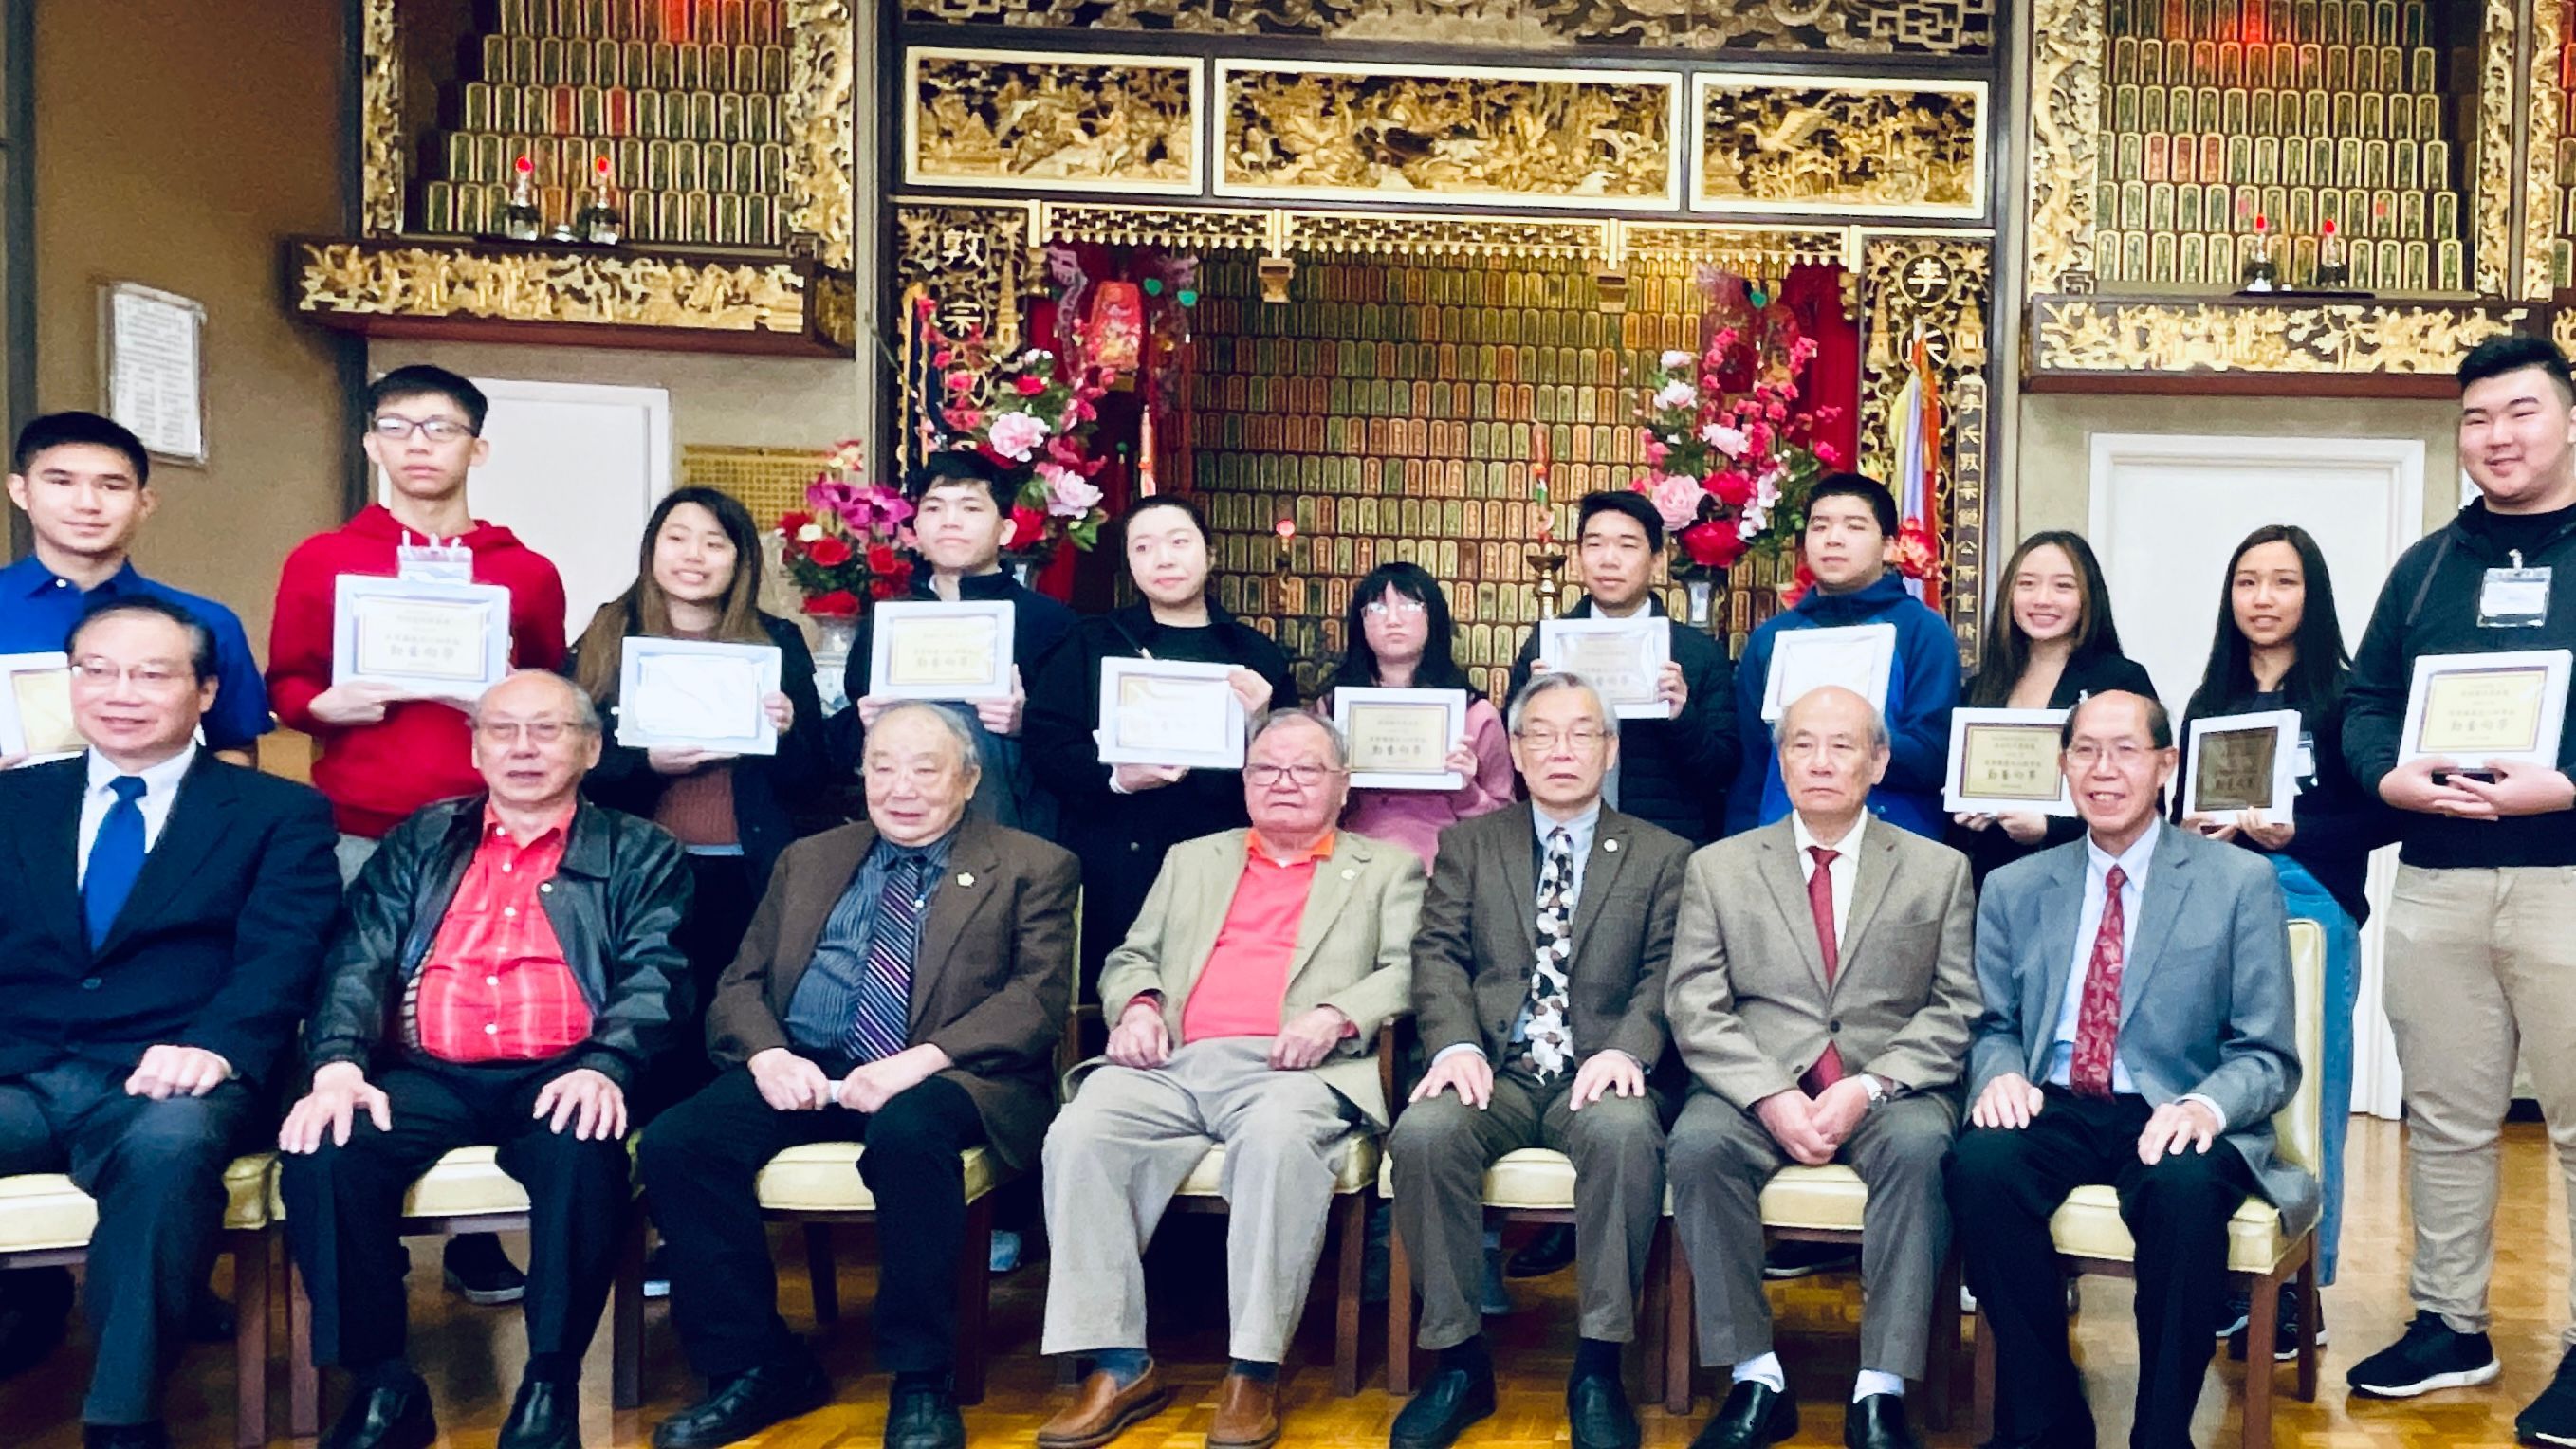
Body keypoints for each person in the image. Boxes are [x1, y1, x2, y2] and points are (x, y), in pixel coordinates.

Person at [640, 703, 1076, 1449]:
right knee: (681, 1142)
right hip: (807, 1062)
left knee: (909, 1136)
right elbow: (740, 984)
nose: (901, 787)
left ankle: (921, 1377)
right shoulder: (808, 860)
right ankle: (754, 1364)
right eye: (883, 767)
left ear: (969, 780)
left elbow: (1034, 1002)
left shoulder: (1033, 865)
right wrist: (768, 1055)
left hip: (952, 1071)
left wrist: (918, 1062)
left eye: (925, 769)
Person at [277, 670, 690, 1449]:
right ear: (476, 749)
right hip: (427, 1071)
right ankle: (383, 1384)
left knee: (581, 1150)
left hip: (566, 1069)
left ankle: (549, 1386)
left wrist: (608, 1062)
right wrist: (338, 1063)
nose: (522, 748)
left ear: (591, 749)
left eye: (547, 730)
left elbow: (657, 972)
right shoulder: (422, 838)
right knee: (326, 1148)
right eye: (502, 730)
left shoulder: (641, 850)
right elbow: (359, 956)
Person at [0, 597, 338, 1449]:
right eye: (99, 671)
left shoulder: (276, 812)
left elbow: (284, 954)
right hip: (20, 1068)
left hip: (174, 1074)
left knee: (169, 1149)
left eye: (152, 675)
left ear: (205, 690)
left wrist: (216, 1047)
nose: (122, 693)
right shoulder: (14, 801)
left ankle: (123, 1418)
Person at [1036, 711, 1420, 1449]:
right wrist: (1138, 1006)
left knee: (1277, 1141)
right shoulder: (1193, 858)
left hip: (1295, 1069)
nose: (1284, 782)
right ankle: (1117, 1363)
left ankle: (1252, 1368)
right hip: (1172, 1061)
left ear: (1343, 787)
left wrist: (1338, 1014)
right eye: (1266, 768)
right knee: (1081, 1131)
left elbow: (1410, 969)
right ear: (1243, 781)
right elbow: (1130, 956)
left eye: (1306, 769)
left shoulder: (1386, 868)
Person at [267, 365, 569, 1304]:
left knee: (477, 1019)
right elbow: (286, 683)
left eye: (440, 428)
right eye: (398, 426)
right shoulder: (324, 559)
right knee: (352, 1013)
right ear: (372, 443)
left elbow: (551, 689)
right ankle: (367, 1241)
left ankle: (476, 1237)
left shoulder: (524, 570)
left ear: (478, 446)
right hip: (360, 826)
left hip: (488, 835)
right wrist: (325, 704)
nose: (419, 445)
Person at [1943, 691, 2311, 1449]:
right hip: (2054, 1100)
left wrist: (2206, 1108)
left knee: (2183, 1191)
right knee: (1979, 1167)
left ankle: (2161, 1432)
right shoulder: (2015, 886)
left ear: (2165, 764)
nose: (2102, 770)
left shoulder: (2237, 882)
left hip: (2177, 1105)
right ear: (2063, 764)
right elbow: (1992, 1024)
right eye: (2085, 751)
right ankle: (2047, 1424)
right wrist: (1999, 1072)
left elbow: (2267, 1053)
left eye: (2125, 751)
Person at [2339, 334, 2576, 1440]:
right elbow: (2364, 701)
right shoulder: (2427, 567)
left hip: (2566, 876)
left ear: (2566, 420)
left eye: (2520, 412)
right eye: (2477, 418)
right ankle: (2449, 1323)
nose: (2497, 436)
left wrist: (2565, 783)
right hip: (2435, 879)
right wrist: (2387, 776)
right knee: (2443, 1118)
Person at [1664, 686, 1977, 1449]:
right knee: (1697, 1146)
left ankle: (1881, 1388)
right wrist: (1769, 1093)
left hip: (1888, 1085)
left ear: (1879, 761)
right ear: (1781, 760)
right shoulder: (1719, 868)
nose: (1821, 762)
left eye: (1843, 746)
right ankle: (1755, 1375)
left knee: (1921, 1149)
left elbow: (1956, 1007)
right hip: (1753, 1083)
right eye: (1802, 744)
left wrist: (1870, 1086)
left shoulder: (1939, 870)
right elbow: (1695, 1003)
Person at [1385, 672, 1691, 1449]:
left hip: (1601, 1068)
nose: (1562, 750)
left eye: (1582, 733)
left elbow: (1669, 970)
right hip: (1497, 1068)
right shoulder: (1470, 845)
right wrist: (1455, 1042)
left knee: (1625, 1135)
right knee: (1423, 1135)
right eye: (1542, 734)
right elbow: (1438, 955)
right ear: (1515, 752)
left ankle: (1598, 1366)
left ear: (1610, 750)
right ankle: (1459, 1361)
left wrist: (1628, 1047)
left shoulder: (1663, 855)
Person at [2177, 524, 2396, 1356]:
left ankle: (2302, 1289)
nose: (2262, 599)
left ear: (2313, 596)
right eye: (2247, 582)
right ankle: (2230, 1277)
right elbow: (2180, 815)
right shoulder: (2208, 701)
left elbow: (2383, 816)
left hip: (2310, 906)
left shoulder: (2346, 697)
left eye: (2283, 582)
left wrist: (2295, 835)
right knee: (2213, 1086)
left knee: (2308, 1099)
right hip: (2214, 908)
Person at [570, 486, 824, 1115]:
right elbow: (570, 756)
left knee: (732, 1016)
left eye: (715, 544)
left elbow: (812, 776)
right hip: (637, 870)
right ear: (652, 549)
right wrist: (647, 764)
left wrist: (786, 731)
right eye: (677, 539)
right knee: (648, 1016)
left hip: (745, 868)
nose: (694, 556)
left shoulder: (776, 639)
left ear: (740, 561)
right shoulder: (608, 631)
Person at [1024, 494, 1297, 991]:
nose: (1164, 559)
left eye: (1179, 542)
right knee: (1118, 998)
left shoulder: (1255, 653)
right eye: (1144, 547)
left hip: (1224, 857)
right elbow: (1046, 745)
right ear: (1130, 564)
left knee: (1217, 996)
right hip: (1113, 856)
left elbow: (1292, 770)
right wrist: (1116, 777)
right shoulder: (1091, 642)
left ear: (1209, 554)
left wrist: (1261, 721)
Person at [0, 413, 270, 765]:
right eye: (62, 482)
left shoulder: (207, 622)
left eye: (112, 486)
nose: (87, 504)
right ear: (20, 491)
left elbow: (235, 748)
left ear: (145, 503)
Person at [839, 449, 1078, 836]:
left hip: (1013, 835)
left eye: (970, 508)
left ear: (1006, 530)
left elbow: (1078, 748)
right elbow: (841, 748)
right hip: (902, 829)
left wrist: (1025, 723)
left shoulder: (1050, 623)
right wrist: (864, 724)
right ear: (916, 529)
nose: (950, 521)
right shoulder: (888, 624)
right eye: (934, 508)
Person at [1726, 474, 1960, 842]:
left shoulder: (1922, 632)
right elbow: (1753, 762)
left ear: (1889, 547)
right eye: (1820, 526)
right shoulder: (1771, 639)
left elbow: (1933, 754)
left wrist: (1844, 745)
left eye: (1854, 526)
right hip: (1783, 841)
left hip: (1894, 841)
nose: (1833, 538)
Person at [1507, 490, 1735, 846]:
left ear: (1657, 560)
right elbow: (1512, 759)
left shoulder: (1698, 653)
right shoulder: (1547, 646)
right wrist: (1534, 709)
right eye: (1594, 545)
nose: (1609, 560)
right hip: (1564, 839)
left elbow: (1723, 770)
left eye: (1627, 546)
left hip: (1667, 845)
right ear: (1579, 556)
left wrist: (1682, 716)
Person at [1950, 531, 2156, 886]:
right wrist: (1963, 804)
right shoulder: (1981, 688)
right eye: (2027, 584)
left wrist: (2050, 827)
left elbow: (2146, 795)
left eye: (2063, 586)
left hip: (2091, 878)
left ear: (2088, 597)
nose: (2042, 599)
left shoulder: (2119, 680)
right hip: (1993, 878)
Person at [1330, 561, 1515, 869]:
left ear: (1434, 617)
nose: (1393, 619)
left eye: (1410, 606)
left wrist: (1466, 789)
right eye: (1377, 608)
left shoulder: (1475, 714)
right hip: (1350, 866)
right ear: (1360, 622)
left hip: (1447, 870)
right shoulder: (1331, 711)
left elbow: (1505, 823)